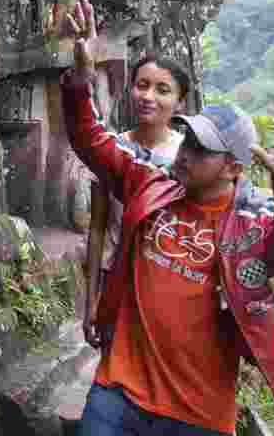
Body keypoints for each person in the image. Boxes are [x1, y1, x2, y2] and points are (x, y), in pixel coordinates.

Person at [64, 0, 274, 436]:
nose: (186, 153)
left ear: (234, 168)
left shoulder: (251, 222)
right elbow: (90, 138)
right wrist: (81, 78)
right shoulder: (150, 181)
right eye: (187, 142)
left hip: (196, 414)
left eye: (202, 150)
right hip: (117, 391)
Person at [84, 54, 189, 351]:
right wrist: (91, 300)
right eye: (142, 85)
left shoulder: (188, 158)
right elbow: (97, 228)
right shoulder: (112, 150)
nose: (148, 96)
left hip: (168, 281)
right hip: (116, 279)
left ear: (180, 102)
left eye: (162, 90)